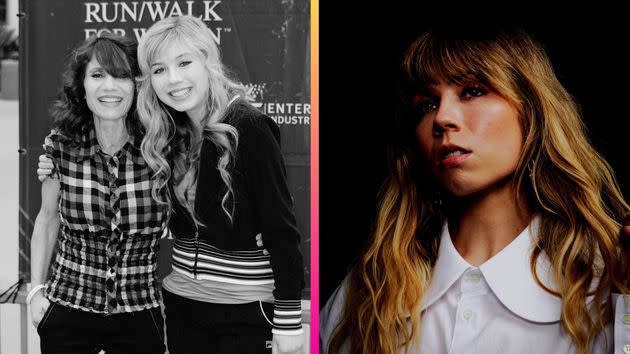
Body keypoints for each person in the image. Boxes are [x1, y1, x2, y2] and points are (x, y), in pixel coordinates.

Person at [320, 29, 630, 354]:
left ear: (531, 109)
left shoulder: (606, 283)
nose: (442, 118)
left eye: (472, 91)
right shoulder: (371, 287)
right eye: (426, 104)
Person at [137, 15, 304, 353]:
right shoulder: (167, 131)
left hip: (243, 311)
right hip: (183, 304)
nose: (174, 79)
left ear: (207, 61)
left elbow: (281, 230)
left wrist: (289, 319)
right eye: (159, 69)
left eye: (184, 62)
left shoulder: (250, 127)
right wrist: (55, 157)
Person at [28, 33, 168, 353]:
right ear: (83, 86)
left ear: (137, 85)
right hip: (67, 310)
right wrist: (36, 291)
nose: (109, 87)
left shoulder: (160, 149)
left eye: (121, 76)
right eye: (97, 75)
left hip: (140, 313)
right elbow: (47, 219)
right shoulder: (60, 146)